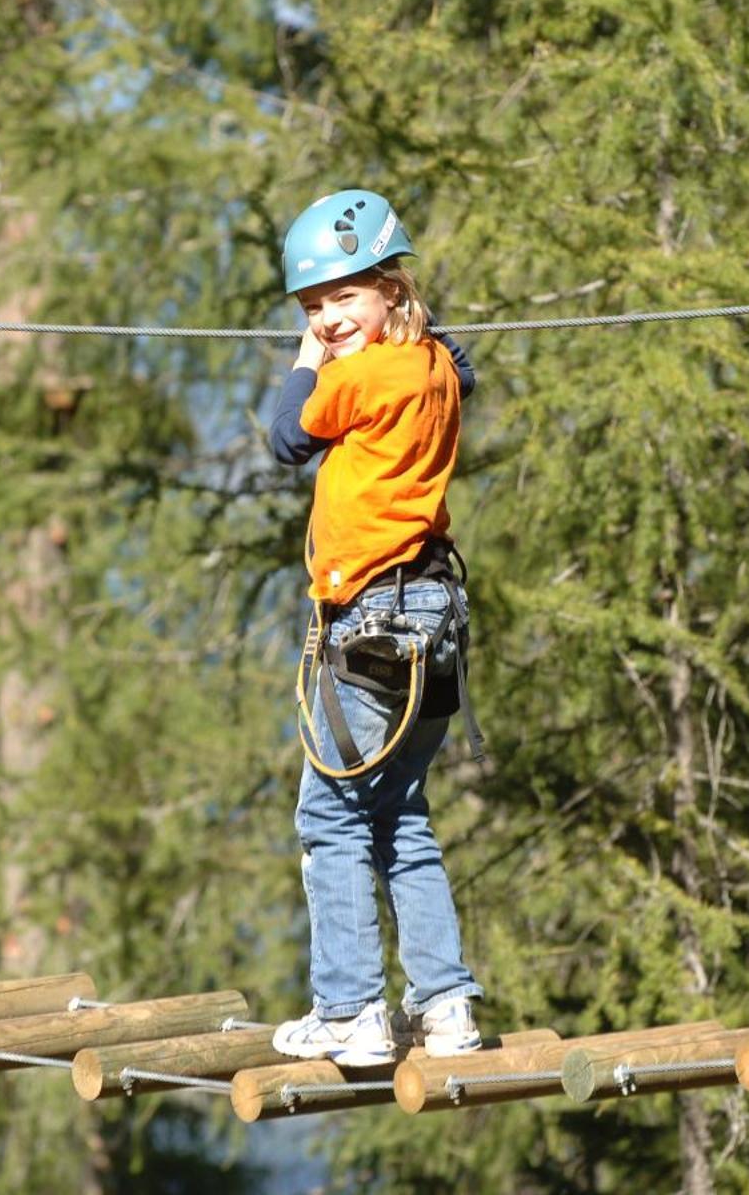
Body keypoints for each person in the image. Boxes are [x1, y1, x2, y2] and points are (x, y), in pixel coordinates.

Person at [267, 189, 484, 1066]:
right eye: (313, 309)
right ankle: (446, 1005)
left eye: (344, 299)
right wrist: (411, 328)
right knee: (402, 815)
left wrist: (301, 361)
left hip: (371, 619)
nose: (326, 321)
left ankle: (350, 1010)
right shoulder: (431, 365)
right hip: (435, 621)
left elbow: (286, 438)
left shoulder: (352, 377)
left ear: (392, 289)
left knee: (332, 818)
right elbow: (462, 365)